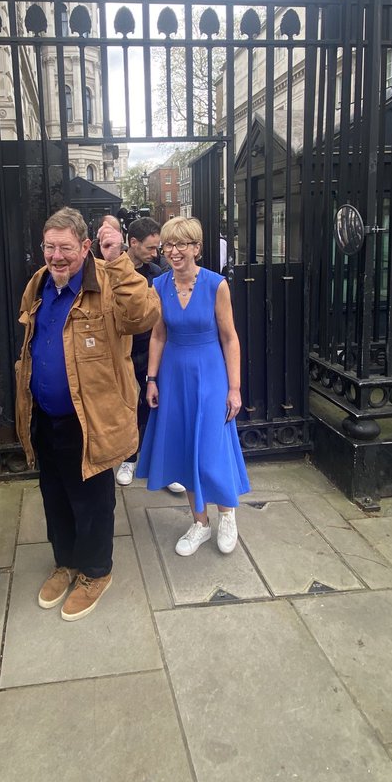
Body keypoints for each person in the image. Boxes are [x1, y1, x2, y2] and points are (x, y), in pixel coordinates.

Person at [14, 207, 159, 620]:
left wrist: (122, 264)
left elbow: (146, 315)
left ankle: (96, 571)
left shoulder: (109, 281)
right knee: (54, 494)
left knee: (92, 500)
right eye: (49, 247)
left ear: (85, 246)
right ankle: (67, 562)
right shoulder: (39, 283)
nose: (56, 256)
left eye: (65, 248)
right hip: (44, 414)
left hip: (90, 416)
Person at [137, 215, 250, 555]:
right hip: (174, 374)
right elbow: (158, 335)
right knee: (186, 448)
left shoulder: (217, 285)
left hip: (210, 374)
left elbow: (230, 339)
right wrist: (152, 379)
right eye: (168, 245)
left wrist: (234, 388)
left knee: (211, 448)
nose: (173, 251)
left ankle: (227, 514)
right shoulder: (158, 286)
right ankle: (200, 523)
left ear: (197, 248)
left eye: (181, 244)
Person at [114, 218, 183, 494]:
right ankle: (129, 458)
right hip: (123, 352)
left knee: (158, 405)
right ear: (133, 243)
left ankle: (163, 466)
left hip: (154, 349)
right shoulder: (112, 271)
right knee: (129, 406)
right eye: (151, 248)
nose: (156, 254)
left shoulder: (158, 273)